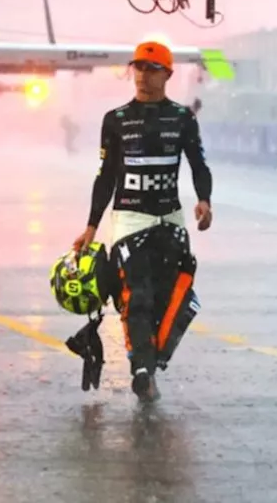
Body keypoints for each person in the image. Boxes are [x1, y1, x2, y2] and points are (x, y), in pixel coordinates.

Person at [72, 40, 214, 403]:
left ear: (167, 73)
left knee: (172, 299)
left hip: (169, 217)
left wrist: (204, 201)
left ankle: (150, 363)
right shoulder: (116, 119)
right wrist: (91, 226)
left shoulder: (182, 118)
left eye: (151, 69)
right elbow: (105, 176)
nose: (143, 76)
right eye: (138, 68)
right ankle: (142, 371)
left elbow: (199, 165)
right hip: (130, 218)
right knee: (137, 296)